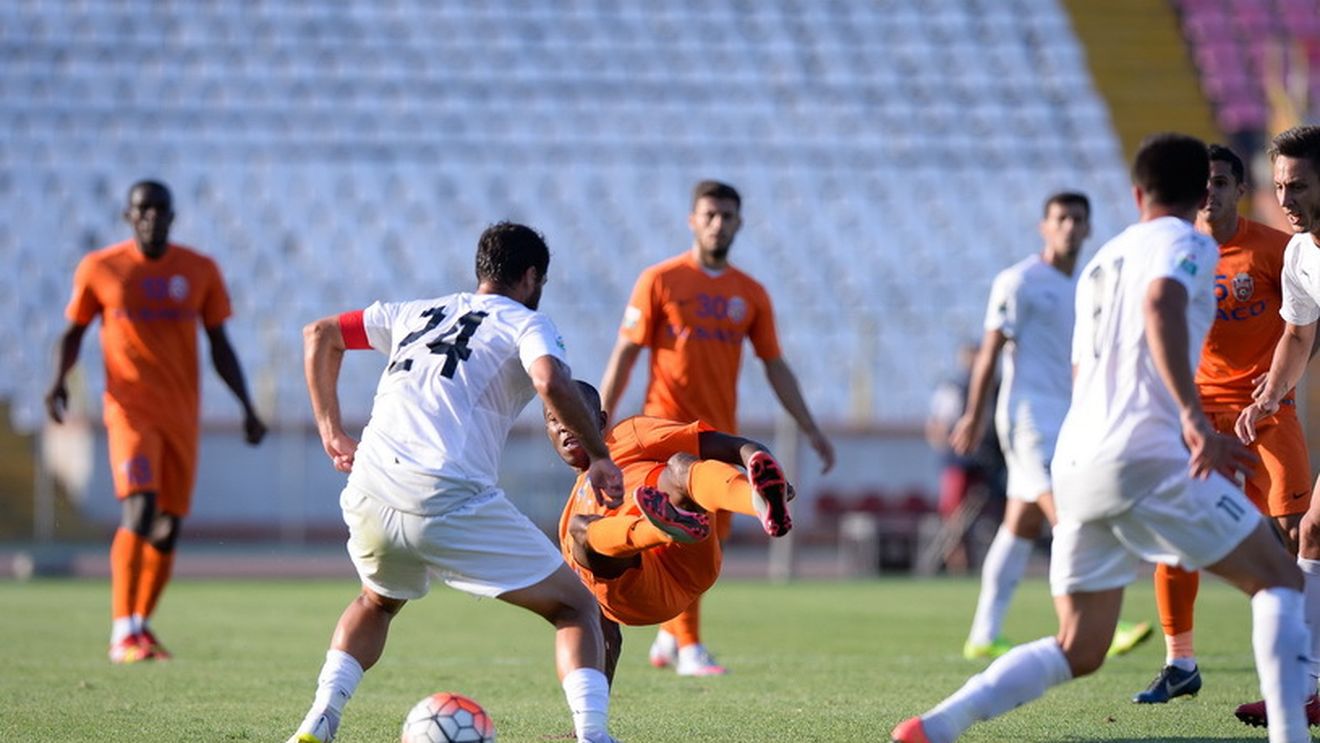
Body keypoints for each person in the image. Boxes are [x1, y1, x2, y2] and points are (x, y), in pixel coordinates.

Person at [892, 133, 1311, 743]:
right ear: (1201, 192)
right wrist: (1194, 421)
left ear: (1136, 192)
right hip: (1145, 453)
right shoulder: (1189, 244)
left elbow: (1085, 368)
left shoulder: (1099, 261)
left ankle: (936, 726)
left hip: (1079, 458)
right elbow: (1163, 302)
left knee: (1079, 646)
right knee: (1281, 581)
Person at [286, 222, 625, 743]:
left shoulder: (413, 311)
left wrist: (332, 430)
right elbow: (550, 380)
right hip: (446, 491)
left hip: (370, 486)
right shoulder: (523, 322)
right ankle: (594, 737)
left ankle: (319, 719)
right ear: (532, 277)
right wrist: (600, 456)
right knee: (575, 605)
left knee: (376, 601)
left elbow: (320, 334)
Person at [598, 179, 835, 676]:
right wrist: (598, 416)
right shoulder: (660, 280)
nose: (717, 223)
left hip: (721, 434)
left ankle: (668, 638)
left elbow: (774, 363)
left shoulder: (749, 294)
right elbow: (626, 351)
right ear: (692, 220)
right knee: (683, 526)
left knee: (703, 543)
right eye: (709, 214)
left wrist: (810, 428)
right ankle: (689, 647)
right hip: (665, 429)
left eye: (727, 216)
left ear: (738, 223)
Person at [44, 180, 267, 664]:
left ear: (172, 216)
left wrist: (247, 406)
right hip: (129, 411)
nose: (151, 217)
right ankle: (121, 630)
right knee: (141, 511)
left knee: (168, 529)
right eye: (142, 209)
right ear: (128, 216)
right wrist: (59, 380)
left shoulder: (199, 270)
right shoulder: (101, 268)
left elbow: (220, 344)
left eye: (159, 209)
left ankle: (140, 626)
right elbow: (74, 331)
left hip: (182, 416)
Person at [1134, 144, 1312, 705]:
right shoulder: (1176, 250)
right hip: (1198, 416)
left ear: (1238, 189)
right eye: (1201, 183)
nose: (1209, 191)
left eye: (1219, 182)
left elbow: (1304, 325)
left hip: (1266, 412)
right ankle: (1179, 661)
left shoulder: (1278, 249)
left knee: (1297, 534)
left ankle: (1302, 672)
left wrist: (1276, 388)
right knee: (1175, 533)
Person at [948, 192, 1151, 660]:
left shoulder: (1088, 284)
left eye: (1078, 219)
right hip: (1027, 417)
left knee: (1020, 524)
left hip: (1072, 413)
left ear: (1088, 227)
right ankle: (1094, 621)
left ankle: (983, 633)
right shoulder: (1019, 281)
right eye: (1061, 219)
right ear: (1044, 226)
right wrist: (974, 415)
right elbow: (990, 352)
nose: (1069, 227)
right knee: (1071, 515)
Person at [546, 380, 794, 683]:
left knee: (680, 466)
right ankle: (660, 527)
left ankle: (757, 503)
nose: (564, 426)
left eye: (573, 415)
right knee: (580, 528)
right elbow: (601, 626)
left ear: (600, 421)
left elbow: (729, 446)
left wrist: (758, 461)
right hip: (640, 593)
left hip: (692, 562)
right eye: (553, 419)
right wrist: (589, 721)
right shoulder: (570, 514)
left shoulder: (628, 435)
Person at [1234, 124, 1320, 728]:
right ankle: (1307, 685)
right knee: (1312, 532)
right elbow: (1296, 333)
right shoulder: (1299, 253)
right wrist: (1269, 395)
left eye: (1301, 186)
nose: (1286, 199)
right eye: (1281, 185)